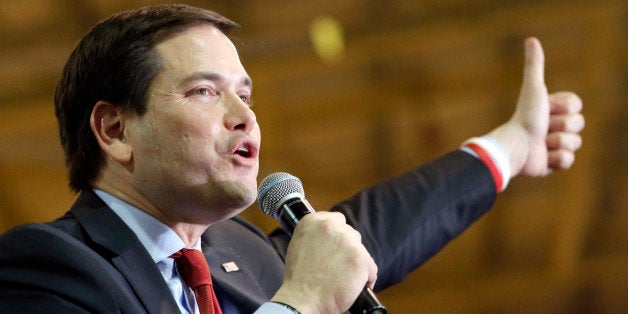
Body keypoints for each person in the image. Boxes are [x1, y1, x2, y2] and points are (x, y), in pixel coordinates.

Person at [0, 4, 584, 314]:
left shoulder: (243, 256)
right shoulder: (44, 269)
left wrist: (514, 147)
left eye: (245, 95)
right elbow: (308, 288)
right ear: (115, 129)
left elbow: (378, 230)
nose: (245, 116)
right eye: (205, 91)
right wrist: (300, 305)